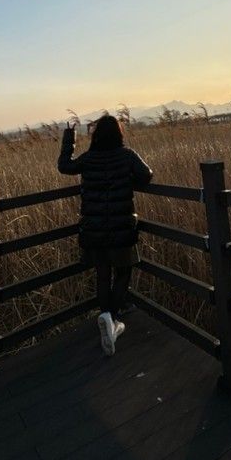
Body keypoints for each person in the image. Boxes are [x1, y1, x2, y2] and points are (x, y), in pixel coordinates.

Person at [58, 115, 152, 356]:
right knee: (123, 271)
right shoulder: (127, 155)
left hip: (94, 230)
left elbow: (64, 166)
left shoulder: (89, 159)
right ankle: (113, 319)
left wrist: (70, 138)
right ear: (119, 134)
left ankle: (106, 319)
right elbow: (147, 175)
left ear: (97, 135)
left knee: (102, 274)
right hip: (121, 228)